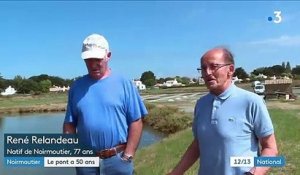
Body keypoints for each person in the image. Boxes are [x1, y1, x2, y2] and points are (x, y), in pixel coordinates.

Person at [169, 47, 278, 175]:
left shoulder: (251, 102)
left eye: (213, 66)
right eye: (203, 68)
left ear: (230, 70)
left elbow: (271, 149)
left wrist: (254, 173)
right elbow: (198, 144)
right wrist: (175, 173)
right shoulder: (201, 104)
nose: (207, 73)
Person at [63, 33, 148, 175]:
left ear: (108, 56)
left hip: (118, 158)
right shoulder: (76, 87)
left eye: (97, 59)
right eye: (88, 59)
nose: (92, 64)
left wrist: (128, 154)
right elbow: (69, 125)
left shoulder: (124, 83)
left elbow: (136, 121)